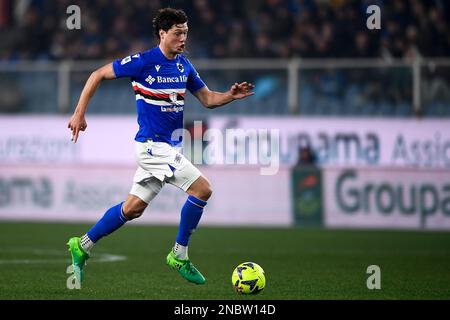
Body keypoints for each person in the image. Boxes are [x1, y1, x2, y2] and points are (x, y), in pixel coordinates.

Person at [66, 8, 254, 286]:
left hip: (168, 148)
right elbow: (97, 74)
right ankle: (179, 255)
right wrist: (79, 113)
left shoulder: (183, 66)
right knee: (203, 188)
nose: (183, 39)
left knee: (132, 209)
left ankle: (81, 245)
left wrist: (230, 95)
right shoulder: (142, 62)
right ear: (162, 34)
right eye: (178, 33)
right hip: (152, 147)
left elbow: (208, 99)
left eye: (185, 33)